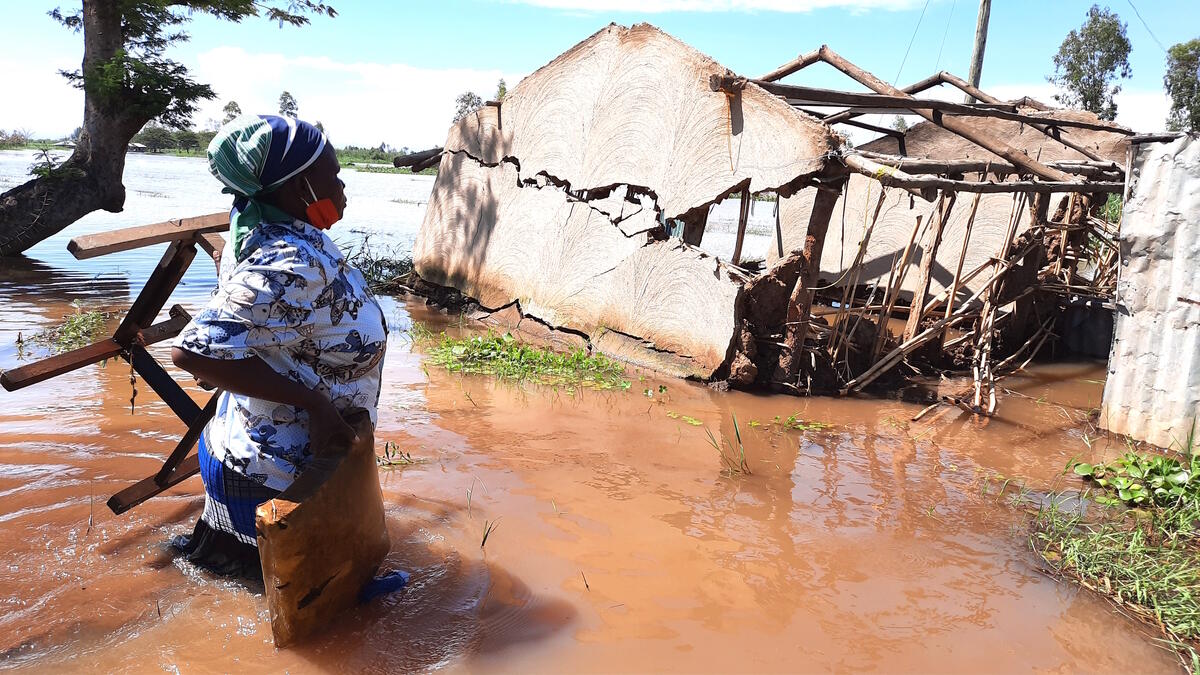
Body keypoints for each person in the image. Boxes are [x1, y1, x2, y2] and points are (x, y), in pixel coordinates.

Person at [170, 114, 387, 578]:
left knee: (223, 573)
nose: (344, 185)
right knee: (285, 605)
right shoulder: (289, 260)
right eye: (335, 174)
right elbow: (194, 351)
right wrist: (316, 405)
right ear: (301, 185)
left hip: (254, 453)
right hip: (275, 475)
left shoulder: (266, 230)